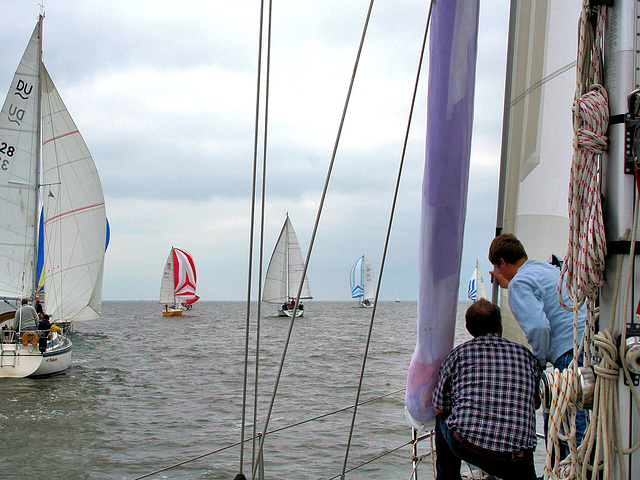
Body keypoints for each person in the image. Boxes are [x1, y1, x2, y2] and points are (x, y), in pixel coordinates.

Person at [488, 232, 587, 450]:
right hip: (589, 344)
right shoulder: (547, 270)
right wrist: (509, 282)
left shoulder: (519, 284)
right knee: (585, 423)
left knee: (568, 429)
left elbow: (538, 327)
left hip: (567, 355)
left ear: (502, 262)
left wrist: (540, 361)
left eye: (497, 267)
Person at [433, 299, 541, 480]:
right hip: (517, 457)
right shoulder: (525, 356)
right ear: (500, 324)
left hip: (470, 448)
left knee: (442, 418)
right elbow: (535, 402)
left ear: (468, 328)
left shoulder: (458, 355)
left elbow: (439, 407)